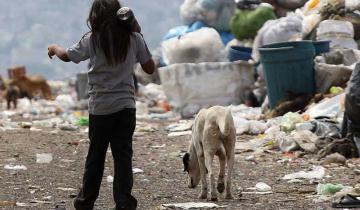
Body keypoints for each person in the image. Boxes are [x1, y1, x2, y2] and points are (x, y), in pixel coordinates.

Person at [47, 0, 155, 209]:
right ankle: (123, 202)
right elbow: (149, 68)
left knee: (96, 156)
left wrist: (54, 48)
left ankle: (86, 201)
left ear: (95, 15)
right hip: (126, 107)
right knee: (123, 156)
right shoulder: (134, 38)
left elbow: (68, 56)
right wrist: (139, 32)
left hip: (101, 108)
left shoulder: (93, 39)